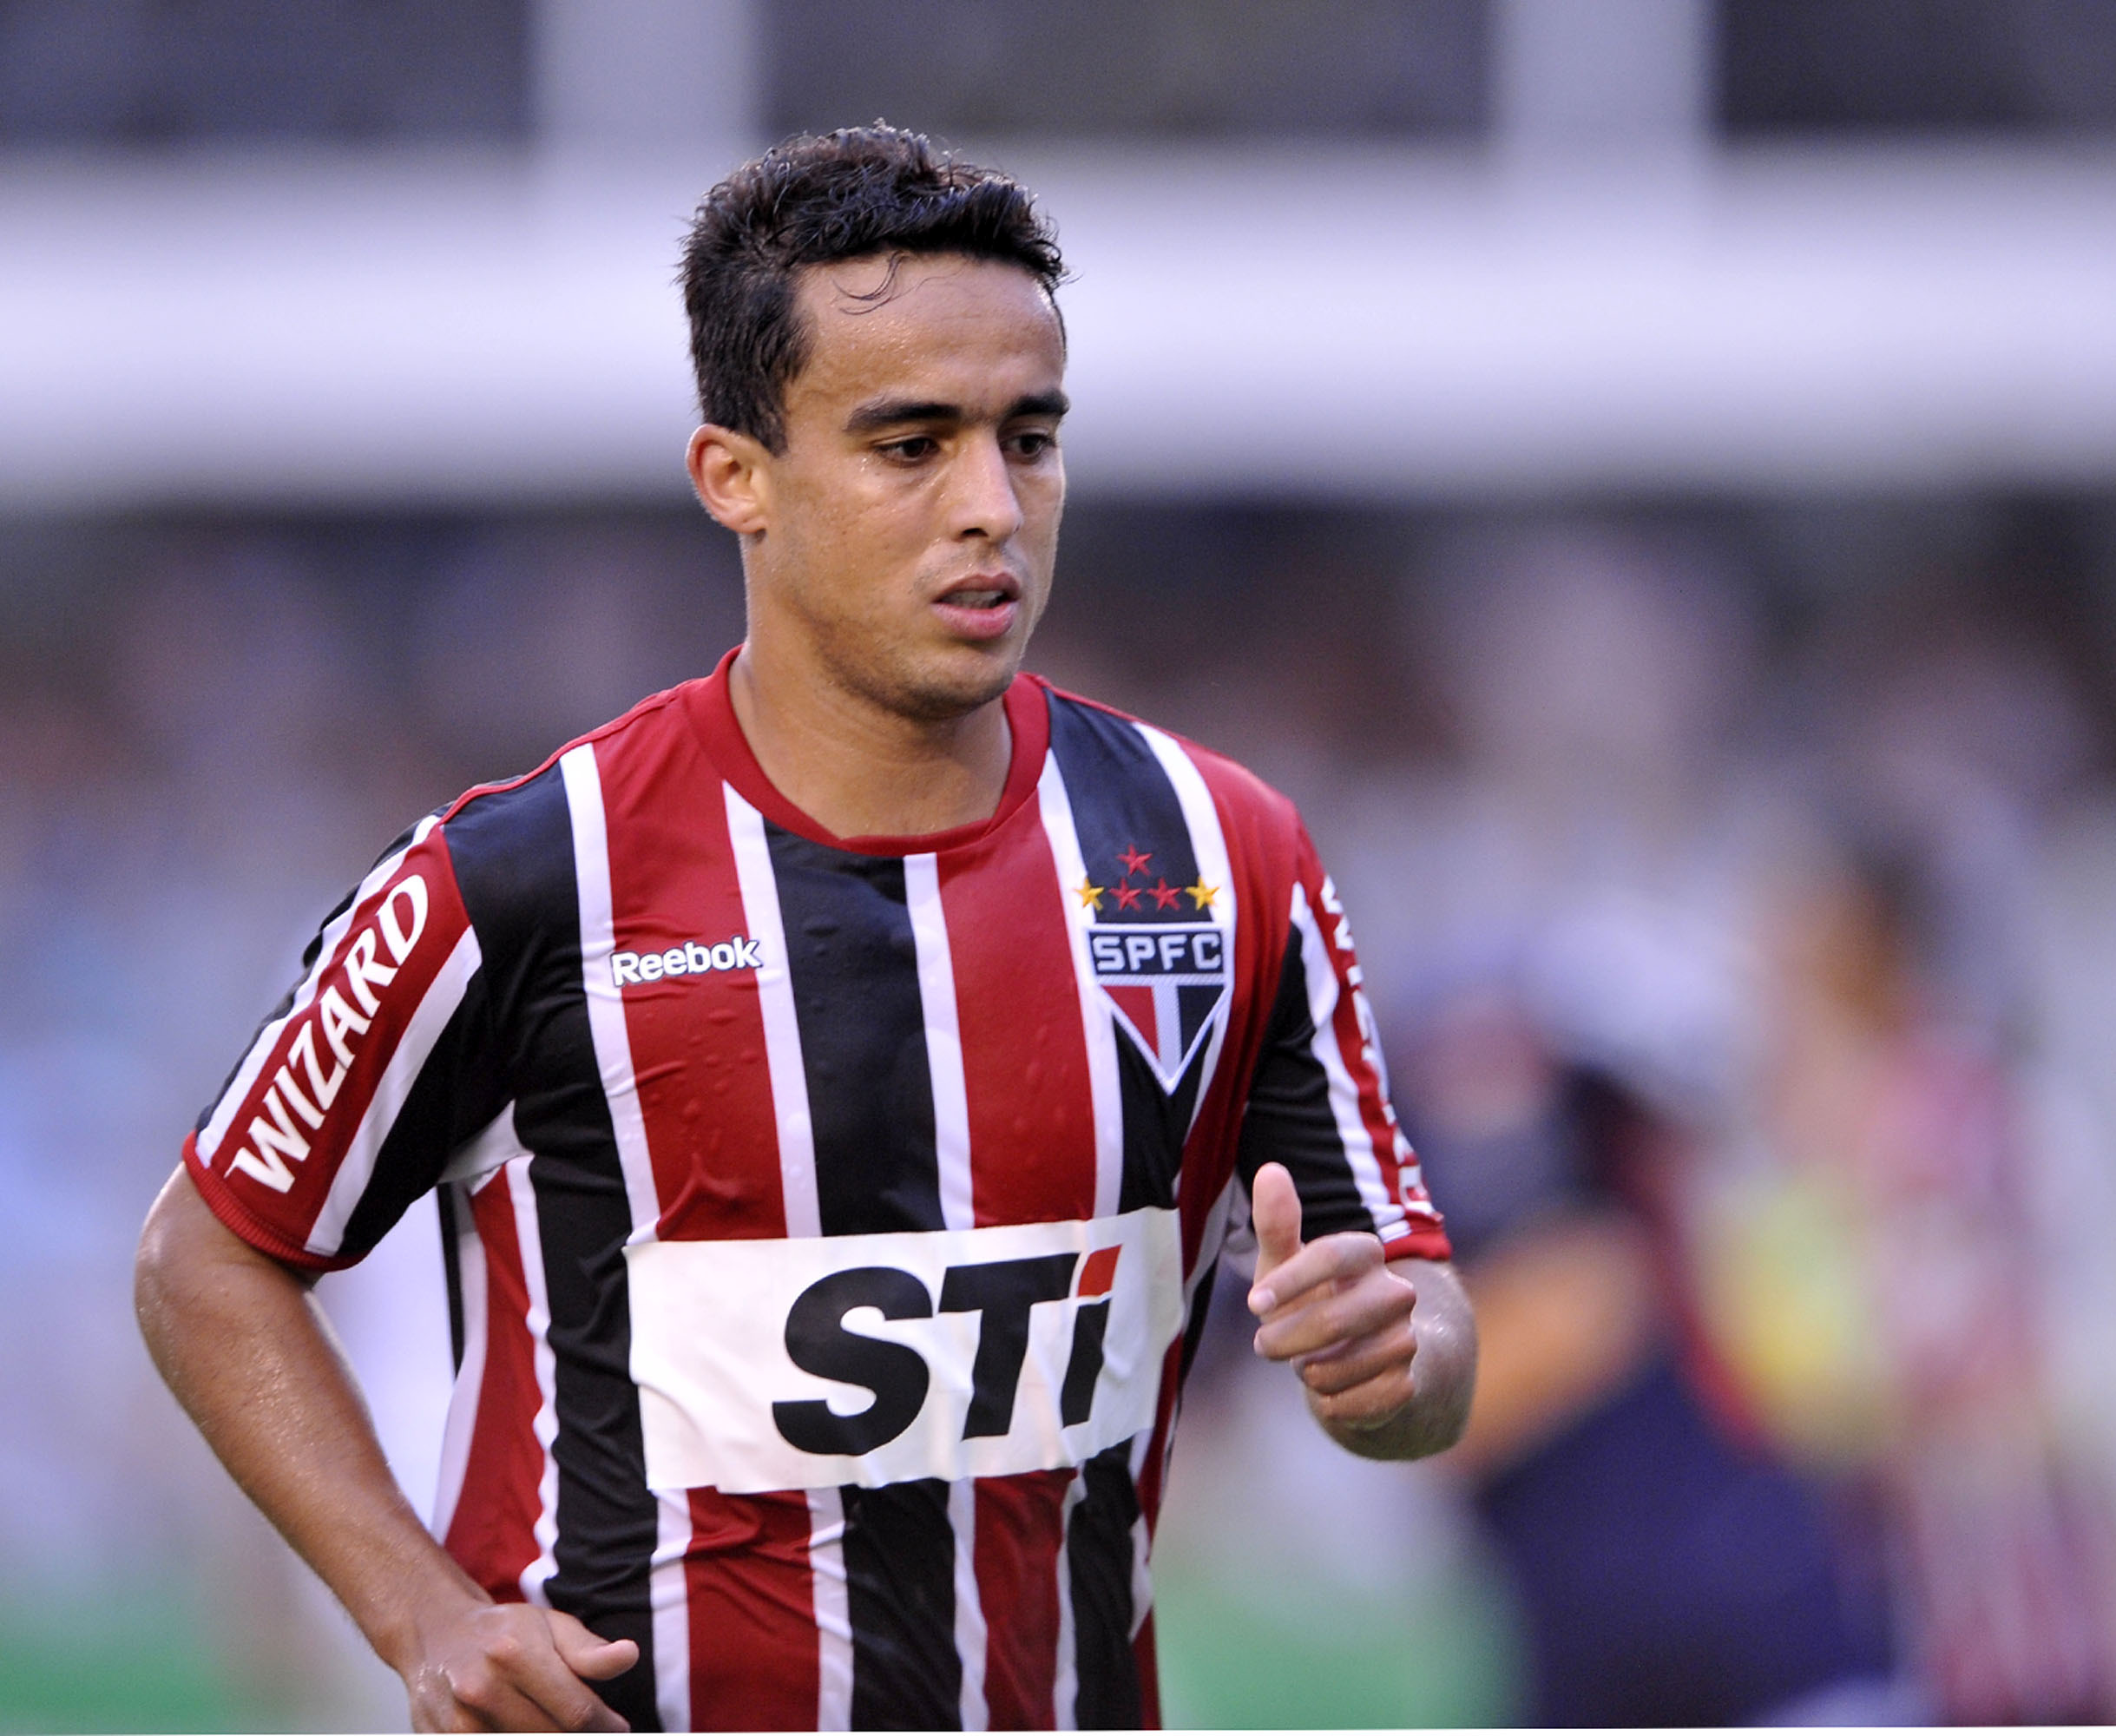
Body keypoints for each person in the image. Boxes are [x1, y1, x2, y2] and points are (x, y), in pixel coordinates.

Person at [133, 126, 1473, 1733]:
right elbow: (206, 1255)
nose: (992, 504)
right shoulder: (521, 879)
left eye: (1028, 439)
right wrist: (413, 1608)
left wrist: (1397, 1366)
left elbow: (1412, 1316)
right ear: (737, 480)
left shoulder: (1217, 852)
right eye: (909, 445)